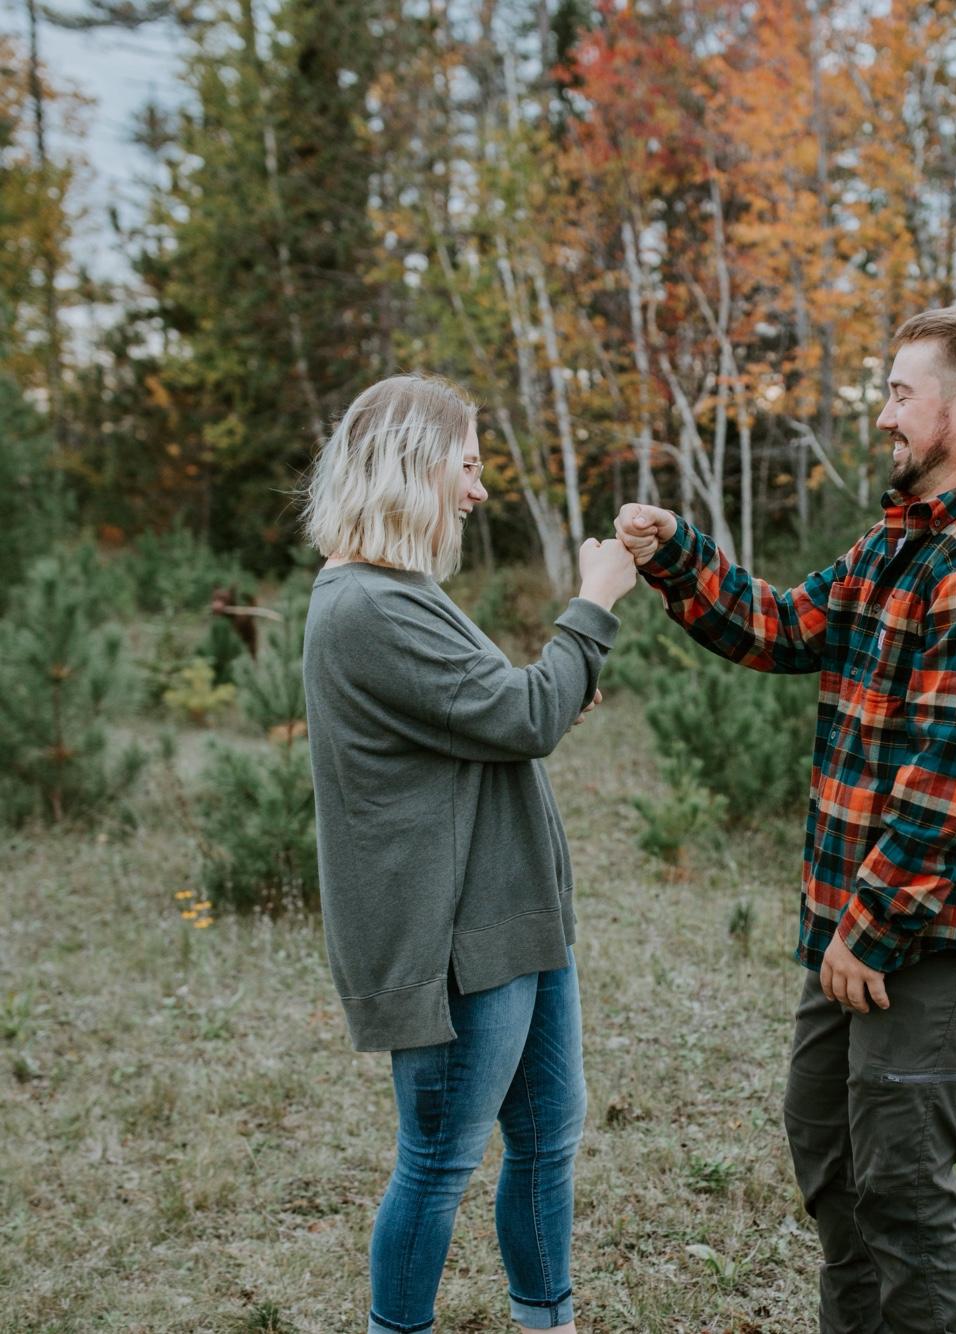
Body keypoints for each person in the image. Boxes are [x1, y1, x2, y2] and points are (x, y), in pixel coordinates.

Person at [615, 306, 956, 1334]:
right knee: (829, 1157)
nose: (883, 415)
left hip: (938, 929)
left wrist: (866, 928)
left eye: (901, 393)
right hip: (855, 923)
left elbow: (947, 778)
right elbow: (783, 627)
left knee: (900, 1189)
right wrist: (677, 554)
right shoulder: (896, 543)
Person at [300, 372, 637, 1334]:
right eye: (470, 465)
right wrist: (595, 601)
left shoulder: (402, 591)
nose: (480, 490)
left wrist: (555, 691)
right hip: (451, 937)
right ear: (413, 465)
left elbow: (502, 709)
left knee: (545, 1142)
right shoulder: (365, 605)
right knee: (439, 1164)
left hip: (514, 916)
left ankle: (546, 1319)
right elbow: (525, 714)